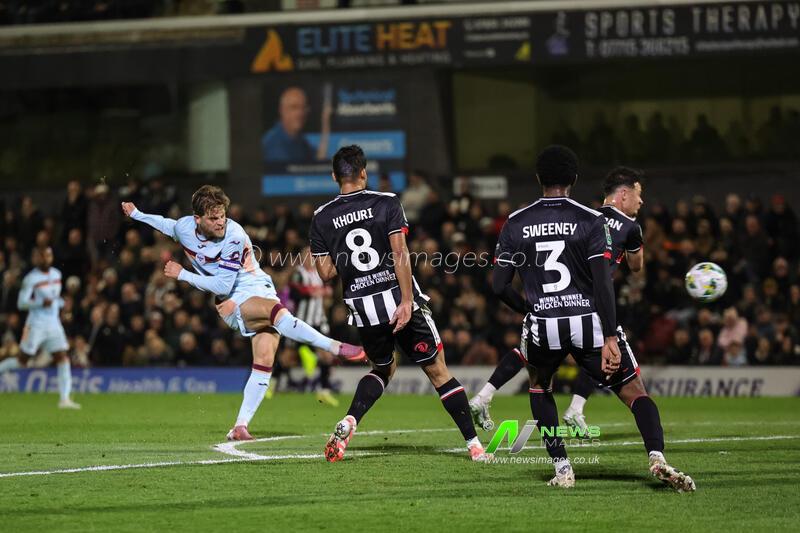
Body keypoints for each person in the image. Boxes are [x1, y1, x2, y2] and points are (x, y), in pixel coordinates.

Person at [492, 145, 694, 490]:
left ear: (539, 178)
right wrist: (611, 336)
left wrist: (531, 310)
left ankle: (563, 469)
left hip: (545, 324)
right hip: (589, 323)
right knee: (635, 393)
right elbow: (602, 281)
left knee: (540, 388)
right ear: (574, 179)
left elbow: (498, 286)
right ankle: (657, 458)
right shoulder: (592, 220)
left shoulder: (516, 222)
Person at [122, 185, 364, 441]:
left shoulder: (234, 236)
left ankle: (240, 425)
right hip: (232, 301)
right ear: (198, 220)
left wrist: (182, 274)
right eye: (213, 218)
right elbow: (166, 225)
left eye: (222, 216)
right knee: (275, 313)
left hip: (255, 287)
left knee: (265, 360)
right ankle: (335, 347)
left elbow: (221, 282)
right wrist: (137, 214)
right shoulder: (184, 227)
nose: (220, 222)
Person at [310, 145, 490, 463]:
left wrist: (346, 254)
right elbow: (400, 253)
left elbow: (325, 273)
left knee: (382, 367)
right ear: (364, 172)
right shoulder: (387, 203)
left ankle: (350, 420)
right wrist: (407, 301)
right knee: (438, 371)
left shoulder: (321, 217)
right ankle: (475, 446)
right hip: (397, 301)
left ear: (334, 177)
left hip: (363, 311)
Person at [470, 166, 645, 433]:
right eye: (638, 194)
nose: (641, 201)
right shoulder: (620, 225)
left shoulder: (584, 216)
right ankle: (577, 410)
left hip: (548, 302)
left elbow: (499, 284)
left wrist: (528, 307)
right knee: (597, 352)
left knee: (534, 365)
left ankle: (489, 398)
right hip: (588, 302)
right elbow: (636, 266)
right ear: (623, 194)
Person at [0, 246, 80, 409]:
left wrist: (63, 304)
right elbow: (21, 303)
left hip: (54, 323)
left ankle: (64, 399)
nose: (45, 259)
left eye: (48, 255)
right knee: (22, 361)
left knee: (63, 357)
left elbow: (55, 298)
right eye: (41, 256)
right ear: (35, 259)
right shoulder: (31, 279)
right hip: (35, 324)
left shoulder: (57, 274)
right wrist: (40, 303)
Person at [261, 86, 331, 163]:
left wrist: (325, 124)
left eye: (303, 108)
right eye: (294, 107)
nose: (300, 113)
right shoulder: (272, 144)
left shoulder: (300, 140)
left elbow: (318, 161)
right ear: (282, 110)